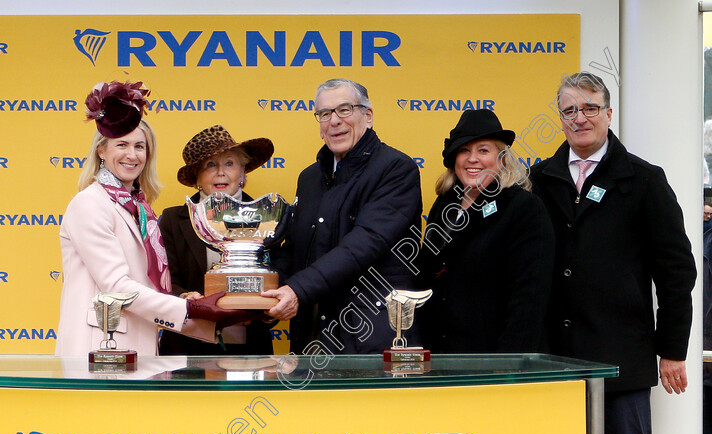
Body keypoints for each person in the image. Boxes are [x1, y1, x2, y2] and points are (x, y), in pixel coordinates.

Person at [530, 72, 696, 434]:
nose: (579, 117)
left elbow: (677, 271)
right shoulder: (541, 178)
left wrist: (672, 350)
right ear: (559, 118)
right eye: (569, 110)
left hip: (620, 355)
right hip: (555, 359)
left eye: (589, 108)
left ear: (608, 113)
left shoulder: (643, 180)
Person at [55, 81, 249, 357]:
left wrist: (211, 322)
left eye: (140, 147)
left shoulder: (138, 208)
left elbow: (150, 285)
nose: (132, 155)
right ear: (101, 151)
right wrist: (191, 308)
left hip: (139, 343)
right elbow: (118, 286)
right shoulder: (89, 204)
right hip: (100, 347)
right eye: (122, 145)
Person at [263, 78, 423, 354]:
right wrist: (262, 294)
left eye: (345, 110)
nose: (334, 121)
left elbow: (364, 244)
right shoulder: (309, 178)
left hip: (370, 335)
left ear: (368, 116)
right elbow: (295, 249)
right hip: (313, 338)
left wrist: (296, 290)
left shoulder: (396, 169)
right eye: (324, 114)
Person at [418, 109, 554, 353]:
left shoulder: (523, 207)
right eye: (464, 150)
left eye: (483, 150)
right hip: (442, 360)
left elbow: (529, 296)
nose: (472, 159)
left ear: (501, 159)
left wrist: (509, 364)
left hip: (496, 362)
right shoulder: (443, 206)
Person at [158, 125, 276, 355]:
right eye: (211, 165)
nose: (220, 172)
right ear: (197, 177)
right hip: (186, 347)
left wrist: (267, 310)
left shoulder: (268, 218)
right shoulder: (173, 220)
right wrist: (185, 298)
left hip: (251, 347)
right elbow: (163, 282)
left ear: (243, 173)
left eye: (230, 163)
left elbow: (280, 276)